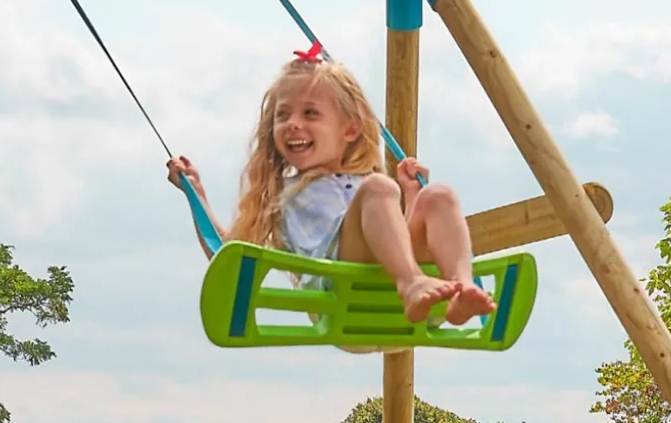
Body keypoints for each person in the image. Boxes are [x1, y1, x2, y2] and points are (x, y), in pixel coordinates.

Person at [166, 52, 495, 326]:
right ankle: (411, 282)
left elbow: (401, 235)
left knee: (439, 195)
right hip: (345, 298)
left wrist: (411, 195)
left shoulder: (368, 189)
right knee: (379, 187)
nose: (294, 123)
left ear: (350, 130)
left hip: (408, 304)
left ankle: (463, 289)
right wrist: (197, 196)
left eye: (310, 113)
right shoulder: (284, 195)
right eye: (283, 115)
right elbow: (227, 254)